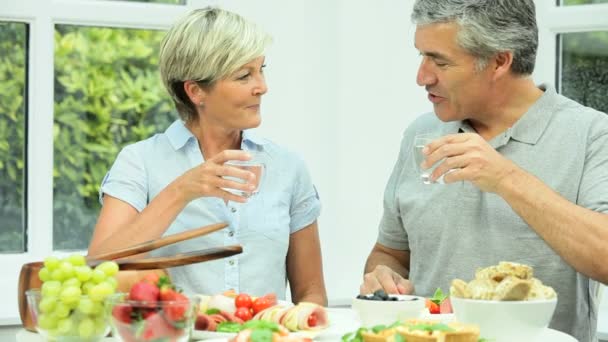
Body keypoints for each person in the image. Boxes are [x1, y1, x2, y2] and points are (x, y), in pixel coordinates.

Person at [360, 0, 608, 341]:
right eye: (422, 56)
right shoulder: (420, 135)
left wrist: (506, 179)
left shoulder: (592, 135)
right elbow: (390, 253)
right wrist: (382, 276)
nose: (422, 77)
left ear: (499, 60)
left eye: (440, 61)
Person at [88, 7, 327, 306]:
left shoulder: (288, 167)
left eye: (261, 69)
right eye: (244, 75)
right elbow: (98, 268)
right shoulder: (139, 162)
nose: (262, 87)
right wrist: (181, 191)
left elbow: (312, 293)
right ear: (196, 91)